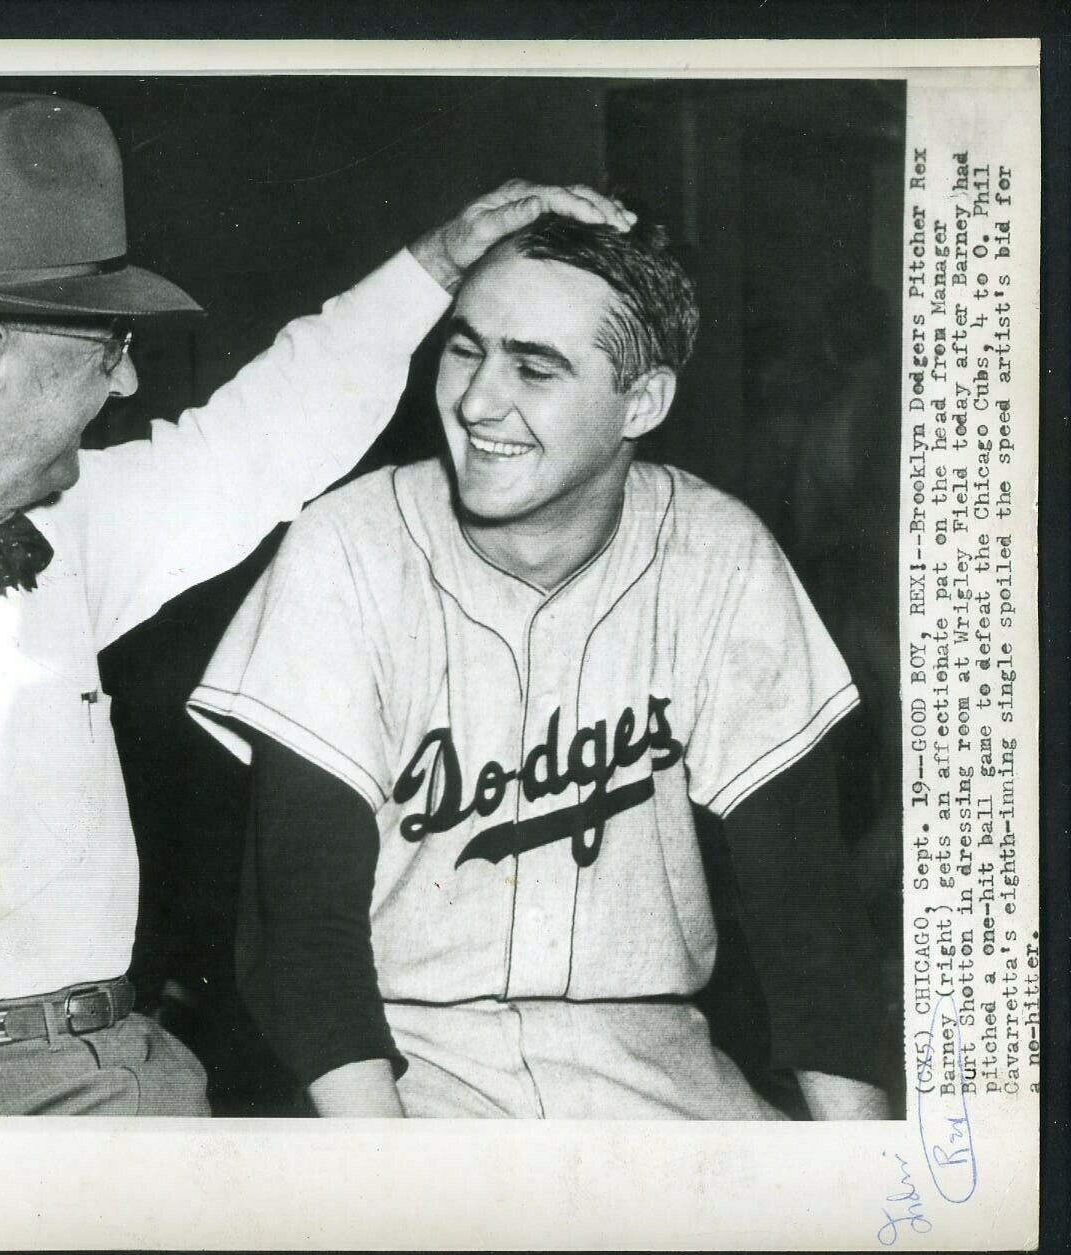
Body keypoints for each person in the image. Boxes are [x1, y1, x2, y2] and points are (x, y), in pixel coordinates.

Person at [0, 91, 634, 1118]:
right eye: (109, 347)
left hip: (129, 1074)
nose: (126, 384)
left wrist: (430, 268)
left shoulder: (50, 528)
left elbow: (246, 451)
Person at [189, 211, 895, 1119]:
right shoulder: (349, 546)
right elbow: (304, 934)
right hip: (403, 1065)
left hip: (655, 1061)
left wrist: (875, 1199)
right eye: (464, 349)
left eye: (534, 366)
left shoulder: (721, 553)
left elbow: (811, 926)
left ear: (641, 402)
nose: (478, 401)